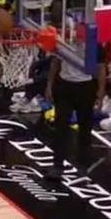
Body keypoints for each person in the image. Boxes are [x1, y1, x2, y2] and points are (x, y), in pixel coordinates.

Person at [44, 51, 104, 179]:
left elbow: (101, 68)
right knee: (60, 127)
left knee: (85, 129)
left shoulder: (94, 43)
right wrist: (49, 85)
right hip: (65, 86)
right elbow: (55, 62)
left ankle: (82, 164)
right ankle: (57, 166)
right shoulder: (63, 41)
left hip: (86, 87)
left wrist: (100, 92)